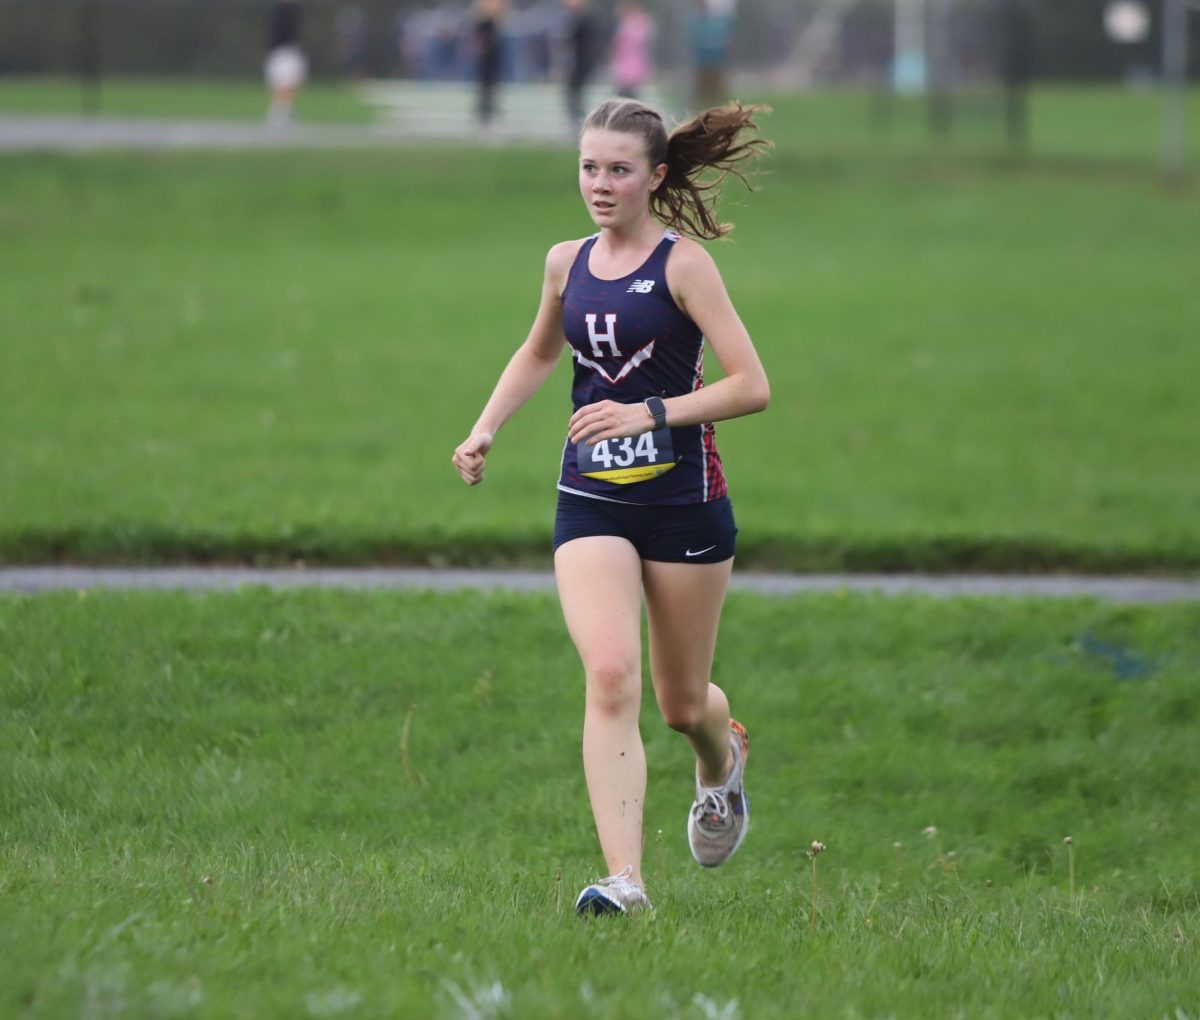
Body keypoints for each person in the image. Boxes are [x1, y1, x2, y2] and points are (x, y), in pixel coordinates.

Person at [452, 97, 770, 915]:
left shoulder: (683, 266)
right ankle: (626, 880)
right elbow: (537, 352)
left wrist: (651, 412)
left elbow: (751, 386)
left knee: (682, 703)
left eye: (618, 170)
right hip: (590, 497)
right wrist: (485, 428)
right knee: (608, 672)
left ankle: (720, 761)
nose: (600, 183)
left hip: (685, 503)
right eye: (589, 167)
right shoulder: (566, 262)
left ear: (654, 177)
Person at [265, 0, 308, 129]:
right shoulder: (283, 10)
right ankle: (281, 113)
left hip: (285, 51)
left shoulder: (288, 10)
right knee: (284, 84)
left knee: (289, 84)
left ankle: (283, 111)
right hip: (284, 52)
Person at [610, 0, 656, 100]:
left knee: (627, 93)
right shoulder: (626, 24)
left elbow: (640, 44)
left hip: (633, 63)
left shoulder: (639, 24)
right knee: (624, 92)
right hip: (625, 63)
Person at [562, 0, 597, 129]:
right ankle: (576, 122)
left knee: (576, 95)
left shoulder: (584, 20)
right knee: (572, 94)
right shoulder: (571, 19)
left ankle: (581, 123)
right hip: (575, 64)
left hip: (581, 65)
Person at [474, 0, 507, 130]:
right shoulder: (483, 24)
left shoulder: (494, 25)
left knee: (491, 91)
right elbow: (480, 46)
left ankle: (488, 118)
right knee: (485, 91)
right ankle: (484, 119)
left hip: (493, 63)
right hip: (486, 64)